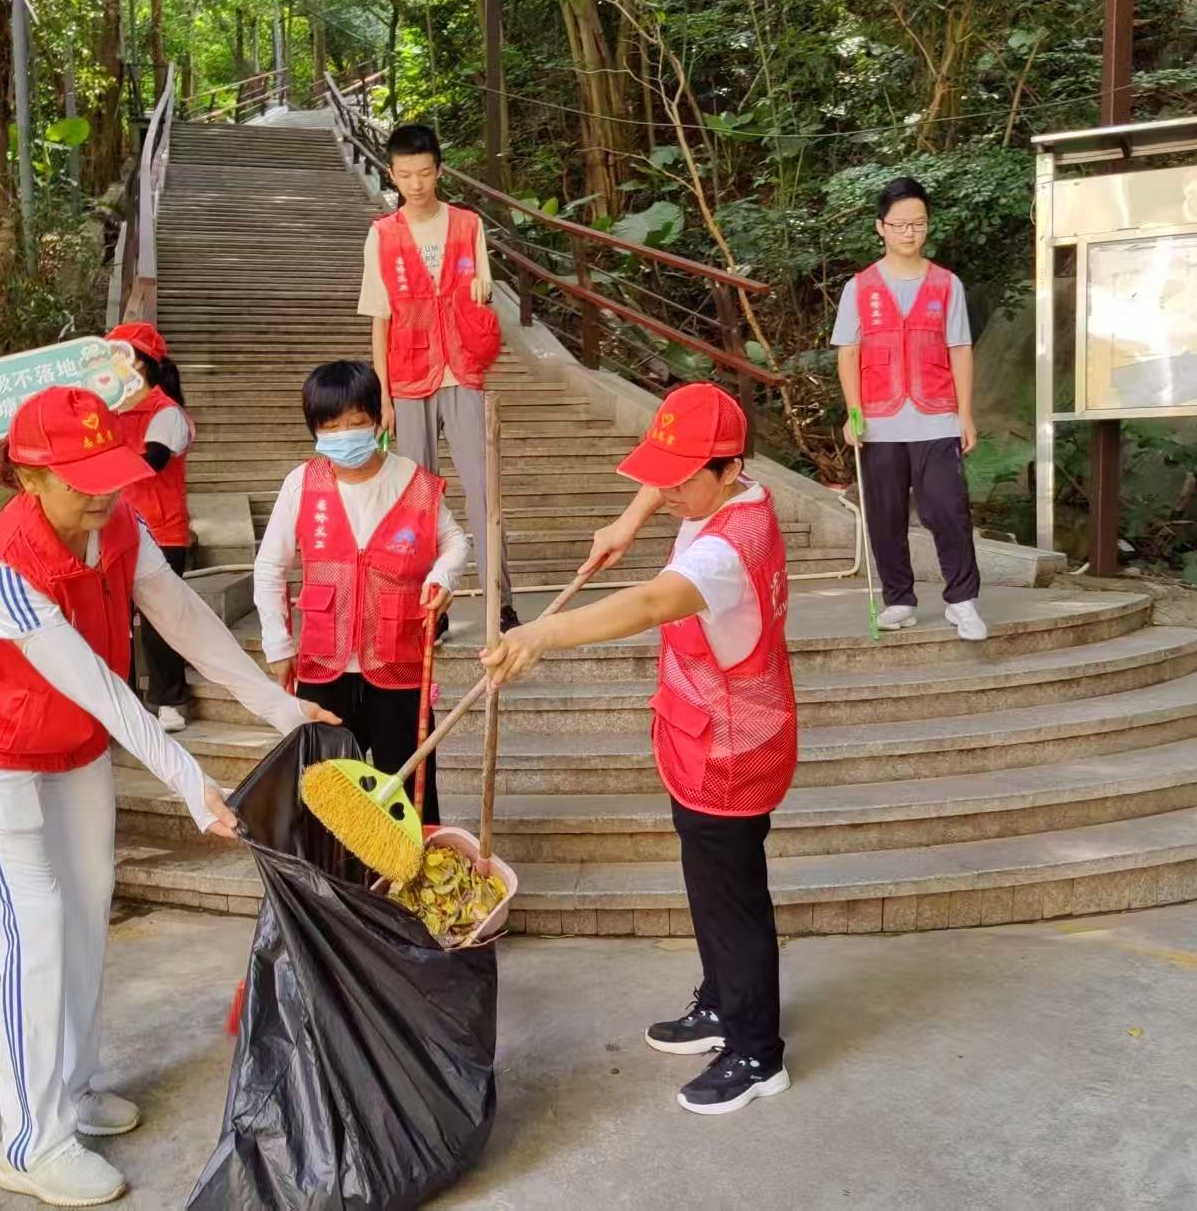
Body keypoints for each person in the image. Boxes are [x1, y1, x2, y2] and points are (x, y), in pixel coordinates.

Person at [0, 386, 339, 1207]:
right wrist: (190, 781)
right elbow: (101, 686)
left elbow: (184, 618)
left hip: (74, 742)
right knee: (36, 924)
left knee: (89, 903)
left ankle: (73, 1086)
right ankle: (31, 1141)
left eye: (109, 473)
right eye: (80, 480)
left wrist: (279, 706)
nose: (102, 493)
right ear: (28, 477)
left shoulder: (118, 522)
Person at [482, 382, 797, 1116]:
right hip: (702, 732)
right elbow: (670, 481)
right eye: (665, 474)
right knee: (708, 884)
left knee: (733, 901)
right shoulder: (726, 494)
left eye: (684, 478)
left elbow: (652, 601)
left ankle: (757, 1052)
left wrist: (540, 634)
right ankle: (721, 1002)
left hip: (732, 747)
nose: (670, 489)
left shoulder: (726, 550)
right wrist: (629, 518)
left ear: (730, 468)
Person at [253, 360, 469, 827]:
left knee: (408, 790)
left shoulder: (414, 481)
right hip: (323, 663)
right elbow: (270, 567)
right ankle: (331, 871)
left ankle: (412, 868)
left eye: (355, 423)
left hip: (398, 661)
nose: (344, 436)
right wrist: (278, 646)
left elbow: (455, 540)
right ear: (315, 429)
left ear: (377, 418)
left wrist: (443, 578)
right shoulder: (301, 483)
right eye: (330, 427)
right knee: (325, 792)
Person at [358, 121, 519, 639]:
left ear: (439, 170)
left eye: (425, 173)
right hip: (407, 377)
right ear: (391, 174)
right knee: (418, 500)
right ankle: (432, 605)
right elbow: (379, 319)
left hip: (462, 370)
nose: (417, 184)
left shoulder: (467, 225)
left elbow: (482, 292)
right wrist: (382, 395)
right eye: (406, 175)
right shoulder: (383, 234)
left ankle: (500, 602)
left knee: (483, 491)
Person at [834, 175, 987, 641]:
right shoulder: (859, 287)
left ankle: (962, 601)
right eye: (899, 224)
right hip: (879, 421)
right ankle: (898, 599)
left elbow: (960, 348)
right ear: (880, 227)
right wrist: (853, 412)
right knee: (885, 515)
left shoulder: (946, 284)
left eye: (918, 223)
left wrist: (965, 414)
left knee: (948, 509)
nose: (909, 232)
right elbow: (848, 354)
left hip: (936, 416)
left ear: (928, 225)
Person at [110, 320, 197, 731]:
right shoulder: (107, 411)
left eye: (118, 356)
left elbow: (153, 462)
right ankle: (120, 699)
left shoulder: (166, 412)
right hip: (113, 528)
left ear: (141, 364)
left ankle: (171, 700)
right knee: (112, 619)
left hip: (160, 531)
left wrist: (98, 465)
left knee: (159, 621)